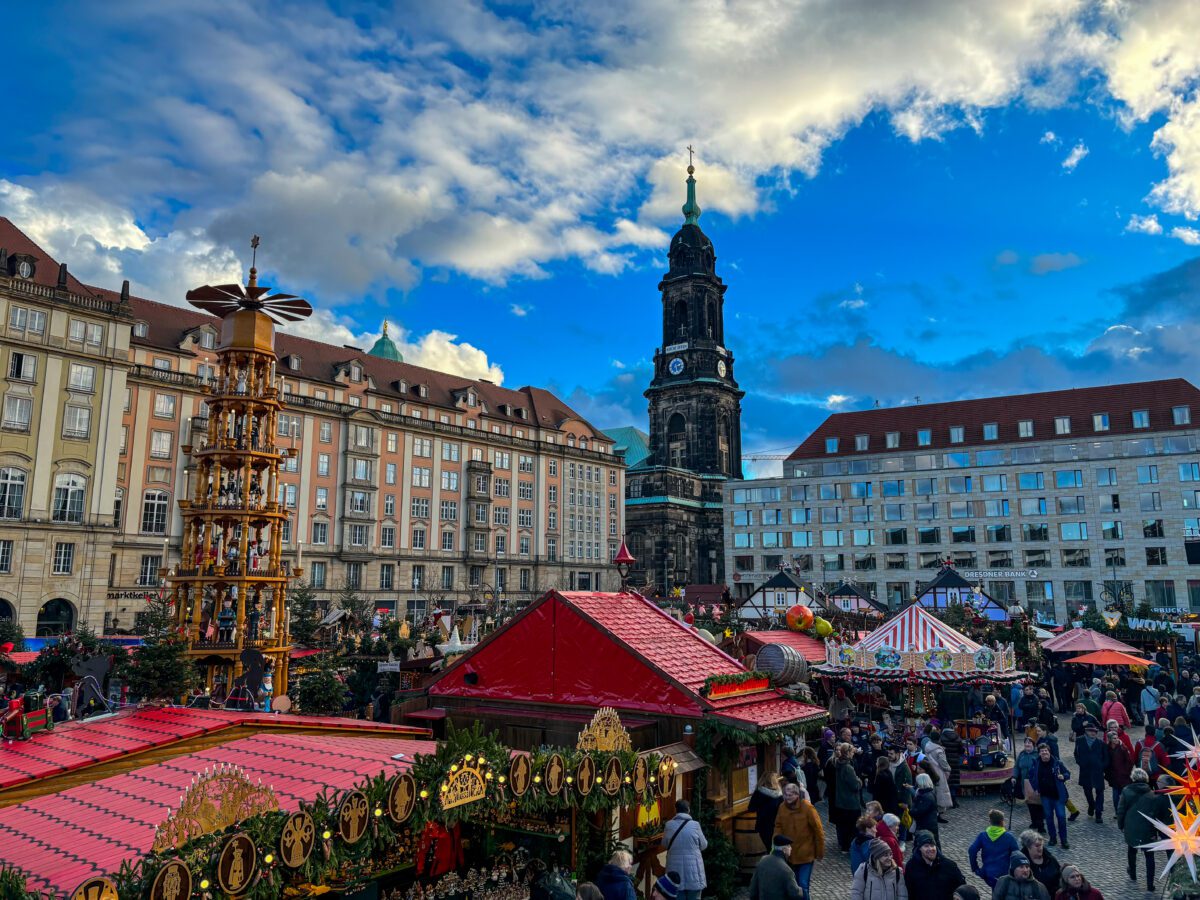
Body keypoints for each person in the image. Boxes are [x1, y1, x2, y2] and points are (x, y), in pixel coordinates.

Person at [1118, 767, 1172, 892]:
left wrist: (1121, 825)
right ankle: (1150, 884)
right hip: (1147, 829)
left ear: (1133, 778)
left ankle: (1133, 873)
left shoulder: (1126, 791)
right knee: (1149, 856)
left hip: (1131, 826)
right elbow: (1156, 814)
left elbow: (1121, 811)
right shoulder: (1152, 794)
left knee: (1132, 850)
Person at [773, 781, 823, 897]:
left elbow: (818, 830)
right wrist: (777, 841)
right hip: (789, 855)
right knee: (793, 886)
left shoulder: (808, 808)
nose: (787, 797)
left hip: (806, 854)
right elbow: (778, 825)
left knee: (803, 885)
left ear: (797, 795)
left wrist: (819, 853)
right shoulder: (782, 807)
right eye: (785, 795)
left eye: (790, 795)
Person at [1027, 743, 1071, 850]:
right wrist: (1036, 788)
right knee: (1049, 818)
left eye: (1046, 751)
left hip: (1058, 796)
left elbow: (1067, 774)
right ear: (1039, 753)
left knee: (1061, 817)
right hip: (1045, 796)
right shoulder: (1036, 763)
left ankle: (1064, 840)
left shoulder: (1057, 763)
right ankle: (1052, 838)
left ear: (1049, 751)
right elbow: (1031, 776)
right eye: (1042, 751)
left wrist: (1063, 776)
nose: (1044, 753)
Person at [662, 801, 707, 900]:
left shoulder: (669, 825)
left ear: (676, 810)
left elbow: (664, 844)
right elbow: (704, 845)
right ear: (688, 810)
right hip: (694, 871)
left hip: (675, 872)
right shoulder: (695, 825)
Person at [903, 829, 964, 900]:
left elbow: (961, 888)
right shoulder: (911, 866)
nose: (930, 849)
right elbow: (909, 892)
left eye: (932, 845)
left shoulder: (949, 865)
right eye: (926, 846)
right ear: (919, 848)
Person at [968, 809, 1020, 888]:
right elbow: (1017, 855)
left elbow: (972, 850)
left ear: (990, 821)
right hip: (1005, 874)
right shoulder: (1009, 837)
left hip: (988, 874)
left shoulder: (983, 835)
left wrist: (975, 868)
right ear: (1002, 821)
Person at [1073, 722, 1109, 823]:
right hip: (1085, 770)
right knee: (1087, 791)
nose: (1093, 733)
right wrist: (1080, 762)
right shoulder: (1080, 740)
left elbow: (1106, 757)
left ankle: (1098, 813)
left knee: (1100, 792)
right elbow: (1076, 753)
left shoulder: (1101, 743)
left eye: (1095, 731)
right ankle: (1091, 805)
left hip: (1097, 771)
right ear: (1086, 731)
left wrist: (1102, 766)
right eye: (1091, 731)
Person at [749, 835, 802, 900]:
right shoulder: (787, 871)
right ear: (784, 850)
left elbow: (753, 889)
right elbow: (795, 894)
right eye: (789, 846)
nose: (791, 848)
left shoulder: (762, 861)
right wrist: (802, 891)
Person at [834, 742, 864, 851]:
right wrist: (859, 781)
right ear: (847, 753)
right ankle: (850, 846)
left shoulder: (838, 764)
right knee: (852, 826)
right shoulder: (848, 768)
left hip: (841, 801)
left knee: (844, 826)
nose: (853, 754)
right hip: (850, 802)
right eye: (852, 752)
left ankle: (844, 845)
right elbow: (855, 785)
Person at [1014, 737, 1046, 833]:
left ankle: (1041, 825)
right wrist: (1014, 777)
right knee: (1029, 802)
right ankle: (1034, 822)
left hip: (1036, 782)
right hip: (1025, 782)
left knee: (1038, 803)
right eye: (1026, 743)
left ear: (1033, 745)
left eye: (1029, 743)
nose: (1027, 745)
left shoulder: (1037, 755)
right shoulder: (1022, 754)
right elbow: (1016, 767)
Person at [1018, 829, 1061, 896]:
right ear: (1028, 847)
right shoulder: (1021, 863)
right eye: (1037, 846)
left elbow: (1060, 876)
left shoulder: (1050, 859)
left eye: (1041, 845)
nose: (1040, 848)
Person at [748, 772, 784, 850]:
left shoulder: (758, 793)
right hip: (777, 825)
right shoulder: (779, 795)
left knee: (769, 847)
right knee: (776, 848)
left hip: (763, 825)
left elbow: (751, 808)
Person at [922, 731, 952, 820]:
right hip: (938, 773)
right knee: (939, 794)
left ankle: (933, 813)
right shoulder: (939, 750)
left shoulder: (927, 747)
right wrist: (949, 769)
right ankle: (937, 814)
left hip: (929, 771)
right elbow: (943, 763)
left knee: (932, 792)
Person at [1103, 729, 1133, 816]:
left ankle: (1124, 811)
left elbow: (1129, 761)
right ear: (1110, 739)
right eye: (1114, 738)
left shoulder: (1123, 748)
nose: (1116, 740)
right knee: (1115, 796)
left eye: (1116, 738)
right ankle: (1117, 812)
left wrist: (1126, 772)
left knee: (1123, 795)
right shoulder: (1107, 748)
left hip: (1123, 775)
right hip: (1113, 776)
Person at [910, 773, 939, 848]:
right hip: (929, 823)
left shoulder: (925, 796)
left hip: (926, 824)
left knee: (925, 844)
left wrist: (910, 810)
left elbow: (918, 811)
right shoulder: (929, 793)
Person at [940, 727, 963, 808]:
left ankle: (949, 800)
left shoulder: (942, 737)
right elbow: (961, 750)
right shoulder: (957, 737)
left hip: (946, 761)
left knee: (948, 781)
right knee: (954, 781)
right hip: (955, 762)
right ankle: (954, 799)